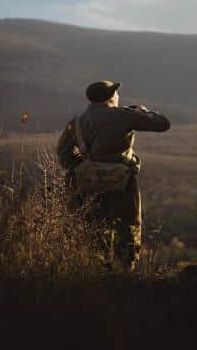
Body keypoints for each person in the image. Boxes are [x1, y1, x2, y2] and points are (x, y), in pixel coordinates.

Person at [56, 80, 170, 272]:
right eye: (116, 94)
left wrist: (86, 168)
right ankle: (126, 270)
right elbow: (163, 124)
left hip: (88, 184)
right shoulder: (123, 116)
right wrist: (143, 112)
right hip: (122, 183)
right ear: (111, 97)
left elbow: (64, 155)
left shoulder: (76, 122)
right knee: (127, 227)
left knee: (94, 229)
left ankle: (97, 271)